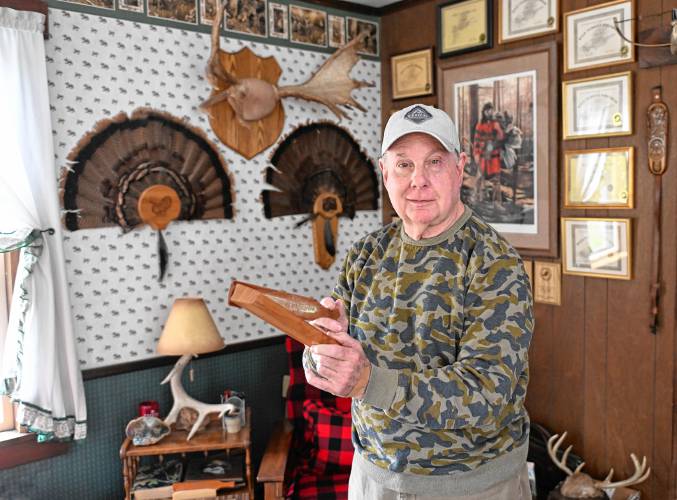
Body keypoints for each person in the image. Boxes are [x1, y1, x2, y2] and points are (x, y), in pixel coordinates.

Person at [304, 104, 533, 499]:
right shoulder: (366, 254)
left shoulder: (494, 263)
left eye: (435, 162)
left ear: (460, 168)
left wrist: (367, 381)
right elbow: (329, 358)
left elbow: (486, 393)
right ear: (384, 171)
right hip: (373, 477)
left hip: (472, 486)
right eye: (404, 165)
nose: (419, 181)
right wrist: (321, 352)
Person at [473, 102, 505, 205]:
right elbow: (476, 142)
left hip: (494, 157)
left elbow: (501, 138)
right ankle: (477, 199)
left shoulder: (495, 124)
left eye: (491, 110)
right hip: (482, 157)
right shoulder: (479, 125)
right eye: (488, 110)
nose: (489, 112)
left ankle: (497, 203)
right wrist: (476, 155)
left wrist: (497, 129)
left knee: (496, 180)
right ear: (484, 112)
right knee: (478, 178)